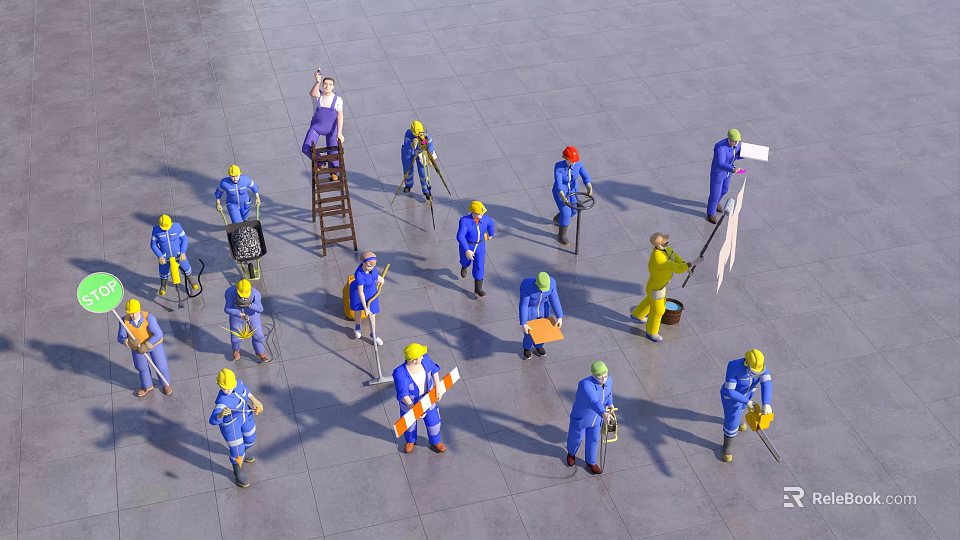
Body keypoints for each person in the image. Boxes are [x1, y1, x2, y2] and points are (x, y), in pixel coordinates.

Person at [630, 232, 702, 342]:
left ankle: (637, 315)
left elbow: (676, 258)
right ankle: (651, 331)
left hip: (660, 285)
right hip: (657, 288)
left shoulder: (666, 249)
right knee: (658, 310)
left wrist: (686, 266)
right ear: (659, 246)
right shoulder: (659, 259)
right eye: (665, 242)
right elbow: (676, 268)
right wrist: (691, 264)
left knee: (650, 300)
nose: (667, 243)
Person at [209, 368, 264, 488]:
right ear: (219, 385)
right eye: (224, 388)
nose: (228, 390)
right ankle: (238, 470)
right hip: (231, 426)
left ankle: (243, 452)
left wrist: (255, 400)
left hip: (246, 417)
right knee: (237, 451)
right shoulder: (222, 401)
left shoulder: (238, 383)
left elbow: (246, 391)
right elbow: (212, 420)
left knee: (250, 439)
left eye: (229, 387)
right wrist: (221, 414)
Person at [392, 343, 446, 454]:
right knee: (409, 424)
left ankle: (436, 441)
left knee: (434, 421)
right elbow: (403, 394)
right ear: (414, 360)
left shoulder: (425, 360)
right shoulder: (400, 372)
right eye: (420, 356)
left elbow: (434, 370)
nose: (423, 356)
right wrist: (413, 407)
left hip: (428, 398)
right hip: (409, 403)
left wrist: (438, 387)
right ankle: (410, 441)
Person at [720, 349, 772, 462]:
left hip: (748, 394)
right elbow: (730, 391)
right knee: (732, 420)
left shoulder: (760, 365)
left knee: (742, 410)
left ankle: (739, 419)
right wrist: (747, 401)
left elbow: (766, 382)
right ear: (746, 363)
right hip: (731, 398)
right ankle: (727, 447)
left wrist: (766, 403)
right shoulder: (734, 367)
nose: (756, 374)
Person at [566, 361, 614, 474]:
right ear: (593, 375)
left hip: (596, 419)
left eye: (605, 376)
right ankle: (571, 453)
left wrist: (610, 404)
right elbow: (593, 401)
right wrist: (603, 412)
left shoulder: (609, 380)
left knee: (593, 440)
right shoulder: (585, 384)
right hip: (581, 417)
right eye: (600, 377)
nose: (604, 379)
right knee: (575, 438)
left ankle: (591, 462)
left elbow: (609, 393)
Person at [117, 299, 172, 397]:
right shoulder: (124, 321)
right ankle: (146, 386)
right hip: (137, 348)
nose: (132, 315)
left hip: (155, 345)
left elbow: (158, 334)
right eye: (130, 313)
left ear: (139, 310)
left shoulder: (149, 318)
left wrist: (147, 345)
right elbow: (120, 337)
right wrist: (128, 342)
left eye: (134, 313)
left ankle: (165, 384)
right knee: (141, 367)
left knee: (161, 365)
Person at [302, 71, 345, 178]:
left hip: (331, 129)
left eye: (330, 84)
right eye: (325, 84)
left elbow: (340, 116)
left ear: (333, 87)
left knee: (333, 151)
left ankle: (333, 173)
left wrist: (339, 132)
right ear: (322, 85)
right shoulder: (317, 96)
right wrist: (317, 81)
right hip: (316, 127)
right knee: (306, 148)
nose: (327, 86)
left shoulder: (338, 100)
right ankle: (321, 162)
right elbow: (312, 93)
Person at [553, 146, 593, 246]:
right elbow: (558, 182)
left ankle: (559, 218)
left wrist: (589, 186)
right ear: (565, 158)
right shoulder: (558, 167)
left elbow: (585, 176)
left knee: (574, 210)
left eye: (575, 160)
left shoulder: (578, 165)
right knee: (566, 212)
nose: (573, 162)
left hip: (573, 190)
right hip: (561, 192)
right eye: (571, 160)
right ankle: (562, 234)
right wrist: (562, 194)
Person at [151, 214, 198, 296]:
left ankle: (191, 281)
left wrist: (183, 252)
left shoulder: (177, 227)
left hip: (179, 255)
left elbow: (184, 239)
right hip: (165, 257)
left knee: (186, 268)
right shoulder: (156, 230)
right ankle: (163, 286)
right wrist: (160, 256)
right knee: (163, 271)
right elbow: (153, 245)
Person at [519, 271, 563, 359]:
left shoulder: (552, 283)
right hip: (531, 311)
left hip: (544, 310)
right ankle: (527, 348)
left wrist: (559, 316)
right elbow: (523, 305)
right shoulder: (526, 286)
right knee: (529, 333)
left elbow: (555, 300)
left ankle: (538, 345)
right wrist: (524, 323)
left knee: (543, 331)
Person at [456, 200, 495, 298]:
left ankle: (478, 288)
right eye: (479, 214)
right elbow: (460, 236)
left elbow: (491, 224)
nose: (481, 215)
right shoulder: (464, 220)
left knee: (479, 266)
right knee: (465, 261)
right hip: (468, 246)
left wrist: (491, 234)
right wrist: (467, 250)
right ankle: (464, 266)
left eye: (482, 213)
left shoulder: (485, 218)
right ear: (473, 213)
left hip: (480, 246)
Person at [224, 279, 269, 363]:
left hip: (252, 315)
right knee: (235, 337)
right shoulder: (230, 292)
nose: (243, 298)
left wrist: (250, 305)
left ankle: (260, 352)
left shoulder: (256, 294)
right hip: (237, 316)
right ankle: (236, 350)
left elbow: (260, 309)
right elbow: (227, 309)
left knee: (259, 335)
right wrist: (239, 314)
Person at [707, 129, 743, 224]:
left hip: (728, 172)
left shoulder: (737, 144)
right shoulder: (720, 147)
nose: (736, 144)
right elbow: (720, 163)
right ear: (729, 139)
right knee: (715, 194)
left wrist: (744, 154)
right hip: (718, 173)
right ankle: (711, 212)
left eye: (737, 141)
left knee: (725, 189)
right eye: (734, 141)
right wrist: (733, 169)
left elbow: (736, 155)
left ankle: (716, 203)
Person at [349, 252, 385, 344]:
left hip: (371, 292)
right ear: (363, 263)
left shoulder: (373, 268)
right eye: (369, 266)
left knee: (372, 313)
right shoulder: (359, 275)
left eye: (373, 266)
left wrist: (379, 278)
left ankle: (372, 333)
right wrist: (365, 307)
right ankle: (357, 326)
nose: (371, 268)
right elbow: (361, 293)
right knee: (358, 310)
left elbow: (375, 276)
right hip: (358, 292)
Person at [401, 121, 437, 199]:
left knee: (423, 171)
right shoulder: (408, 134)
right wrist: (413, 146)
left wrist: (430, 155)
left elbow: (430, 145)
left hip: (421, 153)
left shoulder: (425, 135)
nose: (418, 136)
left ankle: (426, 191)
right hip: (409, 154)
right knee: (407, 169)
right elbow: (408, 151)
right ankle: (408, 185)